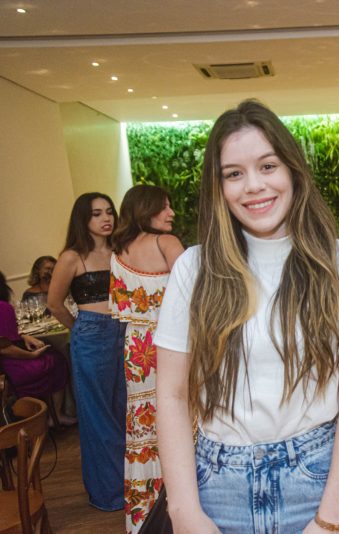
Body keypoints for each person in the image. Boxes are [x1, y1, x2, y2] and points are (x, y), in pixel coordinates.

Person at [154, 99, 339, 533]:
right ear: (218, 188)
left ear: (293, 171)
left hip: (318, 480)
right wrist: (183, 511)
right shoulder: (194, 268)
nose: (253, 186)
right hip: (216, 487)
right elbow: (171, 394)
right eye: (234, 174)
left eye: (268, 166)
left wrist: (331, 517)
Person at [110, 184, 184, 533]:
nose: (171, 213)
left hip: (136, 347)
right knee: (183, 416)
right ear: (146, 209)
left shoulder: (118, 251)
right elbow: (194, 295)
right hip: (171, 341)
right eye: (164, 207)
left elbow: (120, 309)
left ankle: (145, 515)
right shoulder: (166, 243)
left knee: (143, 425)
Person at [48, 192, 126, 511]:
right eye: (96, 213)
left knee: (124, 410)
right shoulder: (72, 257)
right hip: (92, 334)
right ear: (83, 218)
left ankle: (133, 485)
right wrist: (82, 327)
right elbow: (54, 304)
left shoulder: (122, 251)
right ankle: (108, 494)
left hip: (124, 332)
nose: (106, 218)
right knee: (97, 416)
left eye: (109, 211)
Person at [0, 270, 74, 424]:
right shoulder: (3, 308)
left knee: (51, 354)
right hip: (11, 369)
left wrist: (23, 337)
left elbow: (5, 339)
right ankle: (56, 415)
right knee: (58, 359)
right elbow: (5, 348)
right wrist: (31, 356)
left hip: (6, 367)